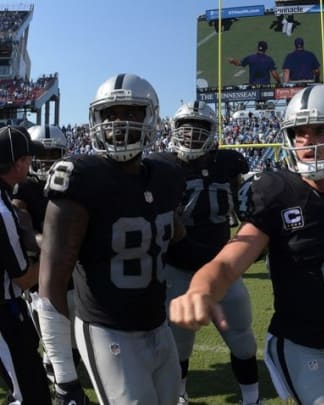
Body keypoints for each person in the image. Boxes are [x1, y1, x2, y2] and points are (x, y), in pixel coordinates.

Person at [169, 84, 324, 404]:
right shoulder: (277, 191)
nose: (307, 142)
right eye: (299, 132)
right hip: (298, 345)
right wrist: (201, 289)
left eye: (321, 130)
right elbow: (230, 260)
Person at [37, 73, 185, 404]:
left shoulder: (166, 175)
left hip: (158, 324)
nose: (119, 123)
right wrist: (64, 377)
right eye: (110, 115)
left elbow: (175, 232)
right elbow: (50, 284)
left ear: (151, 117)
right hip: (107, 330)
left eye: (131, 113)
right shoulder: (80, 177)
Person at [155, 101, 260, 405]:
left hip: (221, 266)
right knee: (179, 344)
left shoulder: (228, 163)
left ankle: (252, 398)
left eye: (200, 128)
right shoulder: (161, 166)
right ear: (174, 130)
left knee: (242, 338)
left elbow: (245, 203)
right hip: (177, 268)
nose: (191, 135)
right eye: (185, 128)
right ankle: (179, 395)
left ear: (212, 133)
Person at [11, 125, 91, 400]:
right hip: (41, 279)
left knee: (75, 339)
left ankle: (56, 371)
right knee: (52, 334)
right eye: (41, 153)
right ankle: (60, 382)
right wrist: (54, 245)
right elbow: (24, 227)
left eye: (53, 153)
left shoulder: (71, 183)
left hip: (73, 275)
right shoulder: (25, 186)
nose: (46, 160)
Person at [0, 125, 52, 404]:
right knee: (28, 396)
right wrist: (57, 254)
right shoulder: (3, 210)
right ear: (18, 162)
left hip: (10, 310)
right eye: (29, 158)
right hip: (4, 314)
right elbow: (22, 278)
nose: (32, 163)